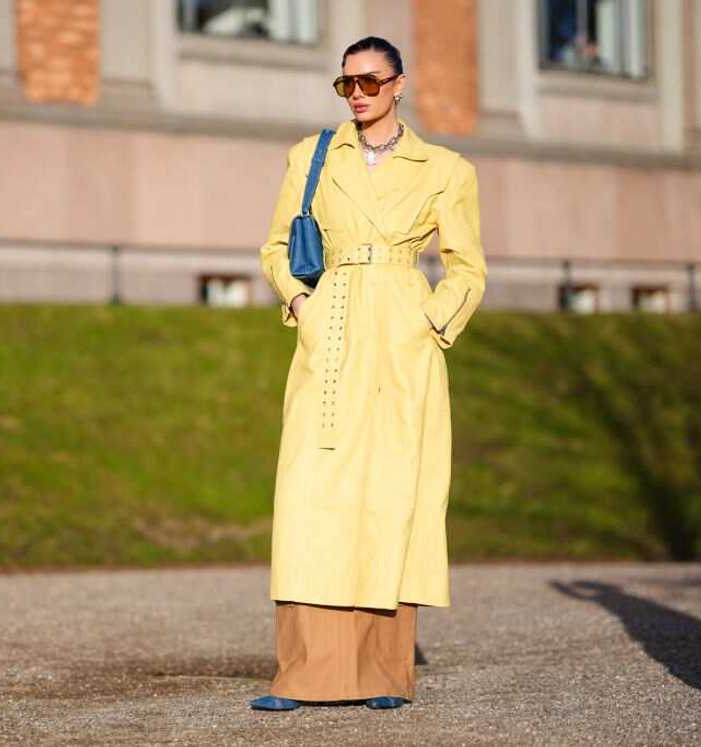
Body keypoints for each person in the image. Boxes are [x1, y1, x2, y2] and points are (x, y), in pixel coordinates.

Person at [250, 35, 486, 711]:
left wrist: (431, 322)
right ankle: (301, 672)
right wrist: (301, 301)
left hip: (404, 339)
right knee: (309, 494)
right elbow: (276, 247)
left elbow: (468, 268)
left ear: (399, 84)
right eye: (345, 84)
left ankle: (384, 671)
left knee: (391, 496)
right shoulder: (312, 156)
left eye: (369, 82)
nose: (357, 94)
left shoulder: (446, 168)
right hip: (332, 329)